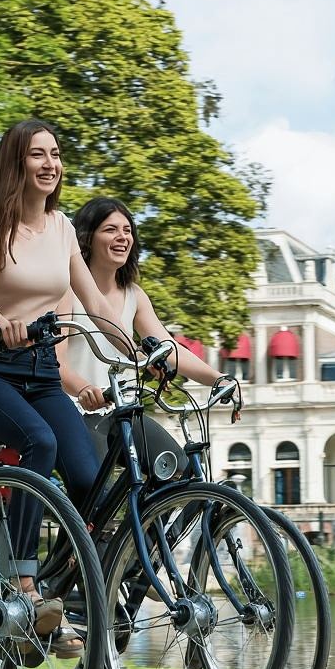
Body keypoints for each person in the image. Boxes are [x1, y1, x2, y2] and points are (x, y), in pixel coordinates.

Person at [0, 119, 127, 657]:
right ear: (16, 163)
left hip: (42, 377)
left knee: (88, 476)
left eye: (55, 154)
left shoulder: (63, 228)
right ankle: (20, 583)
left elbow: (96, 304)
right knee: (39, 442)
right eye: (37, 155)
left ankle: (60, 593)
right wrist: (0, 319)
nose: (50, 164)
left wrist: (142, 354)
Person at [62, 197, 235, 467]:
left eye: (127, 230)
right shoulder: (66, 292)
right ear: (86, 239)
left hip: (124, 411)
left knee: (179, 469)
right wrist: (84, 390)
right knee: (92, 488)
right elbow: (54, 363)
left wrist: (218, 379)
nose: (122, 237)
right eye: (110, 230)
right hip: (77, 411)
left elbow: (168, 348)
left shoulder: (134, 295)